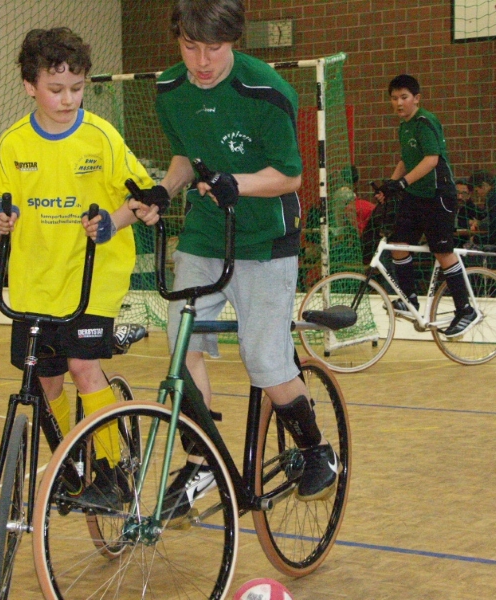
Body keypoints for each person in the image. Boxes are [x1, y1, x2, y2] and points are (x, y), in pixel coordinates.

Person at [148, 0, 340, 521]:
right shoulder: (170, 91)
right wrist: (165, 191)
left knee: (262, 359)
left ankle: (316, 447)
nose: (202, 61)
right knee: (181, 346)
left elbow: (291, 175)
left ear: (234, 41)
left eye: (214, 48)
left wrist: (240, 184)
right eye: (191, 47)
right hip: (206, 236)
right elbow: (186, 158)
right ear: (178, 39)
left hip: (265, 240)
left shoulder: (267, 91)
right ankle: (201, 460)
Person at [0, 27, 160, 509]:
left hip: (93, 276)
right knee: (46, 380)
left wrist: (110, 224)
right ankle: (71, 459)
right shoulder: (13, 143)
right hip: (36, 280)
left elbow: (140, 200)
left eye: (77, 89)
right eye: (56, 89)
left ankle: (110, 470)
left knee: (83, 367)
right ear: (29, 87)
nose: (67, 99)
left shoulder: (100, 137)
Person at [374, 74, 476, 337]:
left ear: (416, 98)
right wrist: (390, 184)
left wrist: (403, 183)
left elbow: (431, 160)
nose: (399, 103)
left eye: (404, 97)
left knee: (442, 252)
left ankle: (466, 309)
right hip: (416, 196)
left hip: (438, 196)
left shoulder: (425, 122)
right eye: (394, 98)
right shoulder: (404, 126)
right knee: (399, 245)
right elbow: (407, 159)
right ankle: (409, 299)